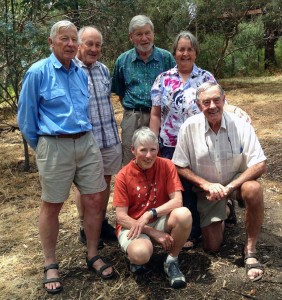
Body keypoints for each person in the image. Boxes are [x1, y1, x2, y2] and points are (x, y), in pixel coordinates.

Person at [17, 20, 114, 295]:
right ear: (52, 42)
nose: (70, 44)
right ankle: (50, 263)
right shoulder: (38, 72)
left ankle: (93, 253)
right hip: (54, 145)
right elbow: (26, 119)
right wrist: (45, 147)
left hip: (86, 142)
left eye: (74, 39)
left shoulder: (80, 73)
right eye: (64, 39)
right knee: (52, 205)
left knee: (95, 198)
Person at [150, 31, 249, 249]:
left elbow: (221, 105)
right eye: (181, 49)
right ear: (174, 52)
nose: (185, 53)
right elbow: (156, 114)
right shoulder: (163, 79)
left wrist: (238, 110)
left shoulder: (206, 78)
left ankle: (223, 209)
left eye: (190, 49)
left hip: (201, 141)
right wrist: (153, 141)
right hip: (171, 143)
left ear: (196, 52)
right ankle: (191, 232)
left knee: (203, 182)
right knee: (181, 188)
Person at [172, 82, 266, 282]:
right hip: (208, 191)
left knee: (254, 189)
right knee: (212, 247)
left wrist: (231, 187)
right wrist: (205, 184)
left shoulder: (241, 125)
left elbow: (259, 164)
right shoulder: (189, 127)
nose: (212, 106)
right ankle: (226, 209)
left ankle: (250, 248)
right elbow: (179, 166)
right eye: (206, 102)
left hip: (235, 184)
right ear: (199, 106)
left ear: (224, 100)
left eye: (216, 100)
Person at [113, 127, 192, 289]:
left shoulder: (167, 165)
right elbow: (121, 217)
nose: (148, 156)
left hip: (157, 218)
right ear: (133, 150)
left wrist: (150, 214)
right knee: (141, 255)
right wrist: (152, 231)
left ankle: (171, 261)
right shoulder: (123, 175)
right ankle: (135, 258)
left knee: (184, 214)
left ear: (158, 149)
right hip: (133, 225)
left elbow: (177, 201)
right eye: (143, 150)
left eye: (153, 150)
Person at [74, 26, 122, 248]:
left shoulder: (103, 69)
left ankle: (101, 222)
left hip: (109, 137)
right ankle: (86, 226)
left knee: (104, 183)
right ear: (79, 45)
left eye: (97, 45)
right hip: (86, 140)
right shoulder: (71, 70)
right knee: (85, 186)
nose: (93, 49)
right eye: (89, 44)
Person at [112, 15, 175, 165]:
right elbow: (120, 91)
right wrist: (134, 110)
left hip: (162, 117)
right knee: (130, 158)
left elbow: (175, 86)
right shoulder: (122, 61)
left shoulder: (166, 58)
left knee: (159, 158)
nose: (144, 38)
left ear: (153, 34)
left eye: (147, 33)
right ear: (131, 37)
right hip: (133, 117)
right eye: (139, 34)